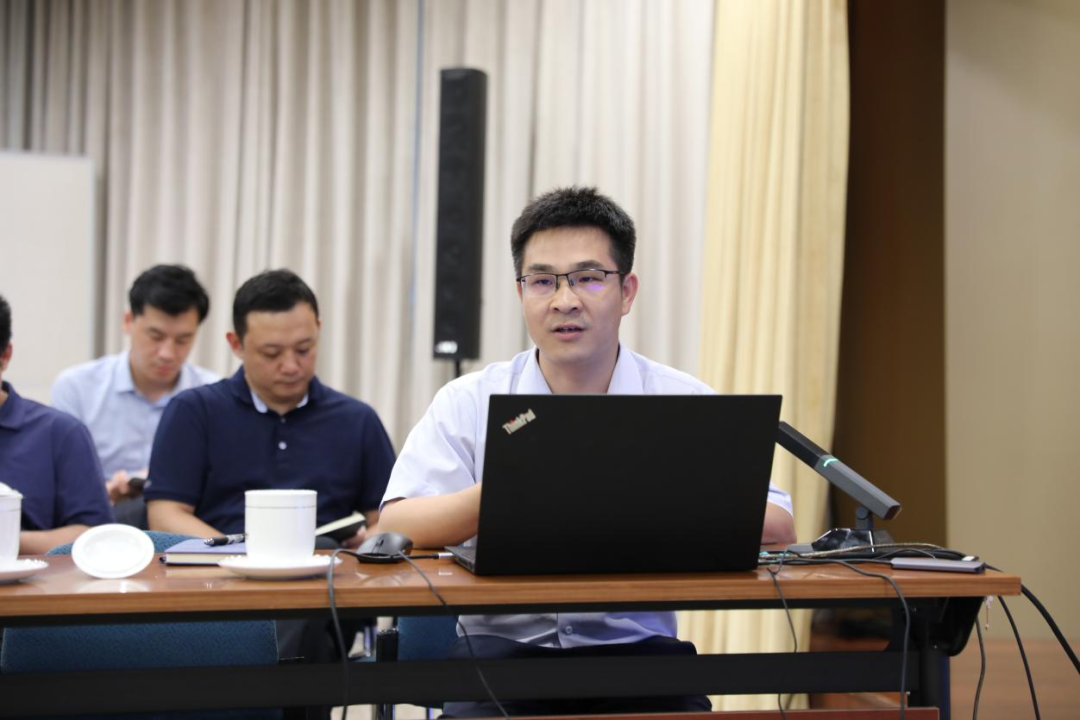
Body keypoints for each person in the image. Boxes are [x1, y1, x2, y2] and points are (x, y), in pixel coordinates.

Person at [378, 186, 797, 717]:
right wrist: (510, 492)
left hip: (640, 657)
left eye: (588, 277)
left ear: (627, 292)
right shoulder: (469, 400)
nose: (564, 300)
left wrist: (640, 495)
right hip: (500, 657)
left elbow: (778, 524)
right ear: (521, 293)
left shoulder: (681, 401)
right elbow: (397, 523)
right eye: (542, 281)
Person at [145, 269, 395, 546]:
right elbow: (165, 515)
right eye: (271, 353)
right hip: (219, 567)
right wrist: (243, 554)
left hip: (327, 566)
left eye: (304, 349)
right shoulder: (194, 412)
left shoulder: (357, 420)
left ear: (318, 330)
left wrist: (366, 543)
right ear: (236, 344)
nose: (290, 366)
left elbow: (387, 518)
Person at [50, 265, 219, 524]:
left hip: (184, 524)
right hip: (99, 524)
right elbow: (61, 483)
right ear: (128, 321)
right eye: (156, 336)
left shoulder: (212, 393)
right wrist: (103, 492)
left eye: (183, 340)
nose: (167, 353)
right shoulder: (77, 387)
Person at [0, 294, 113, 554]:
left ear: (5, 355)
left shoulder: (60, 433)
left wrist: (8, 539)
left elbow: (95, 536)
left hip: (30, 577)